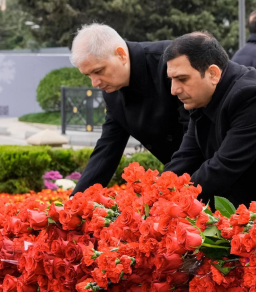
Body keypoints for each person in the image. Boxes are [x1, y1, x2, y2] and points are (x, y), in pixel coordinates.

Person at [162, 32, 256, 207]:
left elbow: (222, 168)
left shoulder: (253, 97)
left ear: (213, 73)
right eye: (172, 80)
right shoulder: (203, 96)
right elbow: (185, 158)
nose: (174, 90)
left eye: (182, 79)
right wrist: (156, 191)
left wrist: (170, 201)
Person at [71, 24, 190, 194]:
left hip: (221, 166)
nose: (95, 83)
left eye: (98, 71)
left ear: (121, 55)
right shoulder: (111, 92)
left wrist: (162, 189)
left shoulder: (170, 61)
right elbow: (107, 149)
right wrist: (75, 204)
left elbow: (194, 132)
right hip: (181, 178)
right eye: (88, 75)